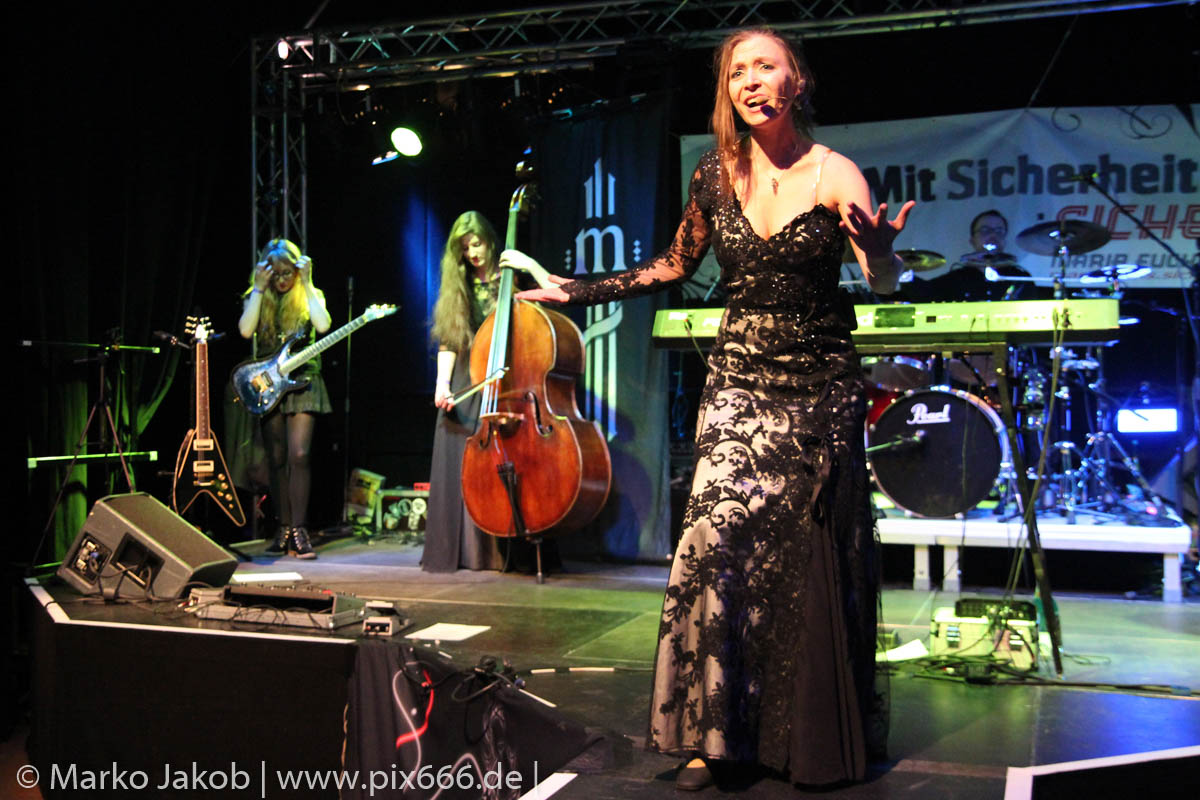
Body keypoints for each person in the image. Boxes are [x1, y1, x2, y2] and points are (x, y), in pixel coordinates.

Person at [512, 28, 911, 789]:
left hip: (817, 385)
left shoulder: (836, 174)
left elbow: (881, 280)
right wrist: (579, 289)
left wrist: (884, 251)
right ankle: (712, 735)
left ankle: (803, 738)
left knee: (802, 554)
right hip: (739, 376)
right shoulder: (714, 174)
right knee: (713, 538)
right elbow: (674, 263)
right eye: (737, 72)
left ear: (797, 80)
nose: (750, 81)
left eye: (766, 66)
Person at [422, 211, 556, 572]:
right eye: (465, 248)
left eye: (477, 244)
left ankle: (513, 547)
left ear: (490, 240)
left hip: (512, 372)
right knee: (457, 444)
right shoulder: (459, 283)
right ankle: (465, 553)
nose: (473, 253)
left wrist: (529, 264)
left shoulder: (512, 274)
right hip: (470, 374)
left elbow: (555, 291)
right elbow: (449, 339)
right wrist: (442, 383)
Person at [237, 238, 332, 559]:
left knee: (299, 454)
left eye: (287, 273)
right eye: (275, 274)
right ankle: (284, 529)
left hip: (304, 380)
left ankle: (300, 530)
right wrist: (258, 289)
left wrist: (307, 282)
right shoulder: (257, 296)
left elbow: (323, 324)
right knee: (276, 458)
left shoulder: (309, 293)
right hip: (270, 383)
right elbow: (245, 331)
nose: (281, 280)